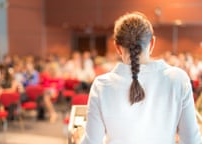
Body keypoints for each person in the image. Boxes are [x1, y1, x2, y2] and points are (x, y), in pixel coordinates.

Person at [81, 12, 201, 144]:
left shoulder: (101, 85)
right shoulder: (178, 79)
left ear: (117, 47)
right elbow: (192, 141)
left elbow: (91, 142)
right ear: (152, 42)